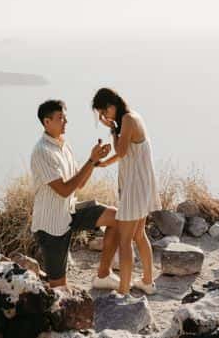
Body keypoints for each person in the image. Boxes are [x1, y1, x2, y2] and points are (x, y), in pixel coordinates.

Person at [30, 99, 123, 290]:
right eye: (60, 118)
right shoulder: (42, 151)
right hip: (51, 225)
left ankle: (103, 275)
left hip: (70, 211)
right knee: (59, 289)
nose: (65, 122)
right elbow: (63, 190)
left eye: (65, 117)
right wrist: (91, 160)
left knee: (117, 217)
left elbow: (78, 184)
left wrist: (95, 161)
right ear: (47, 122)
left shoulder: (64, 145)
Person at [92, 87, 159, 296]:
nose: (103, 117)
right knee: (139, 235)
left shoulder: (128, 119)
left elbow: (120, 152)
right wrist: (112, 131)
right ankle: (147, 282)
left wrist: (103, 161)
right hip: (141, 184)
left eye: (104, 112)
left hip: (135, 186)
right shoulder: (130, 118)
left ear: (112, 106)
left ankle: (123, 292)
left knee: (125, 239)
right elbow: (125, 150)